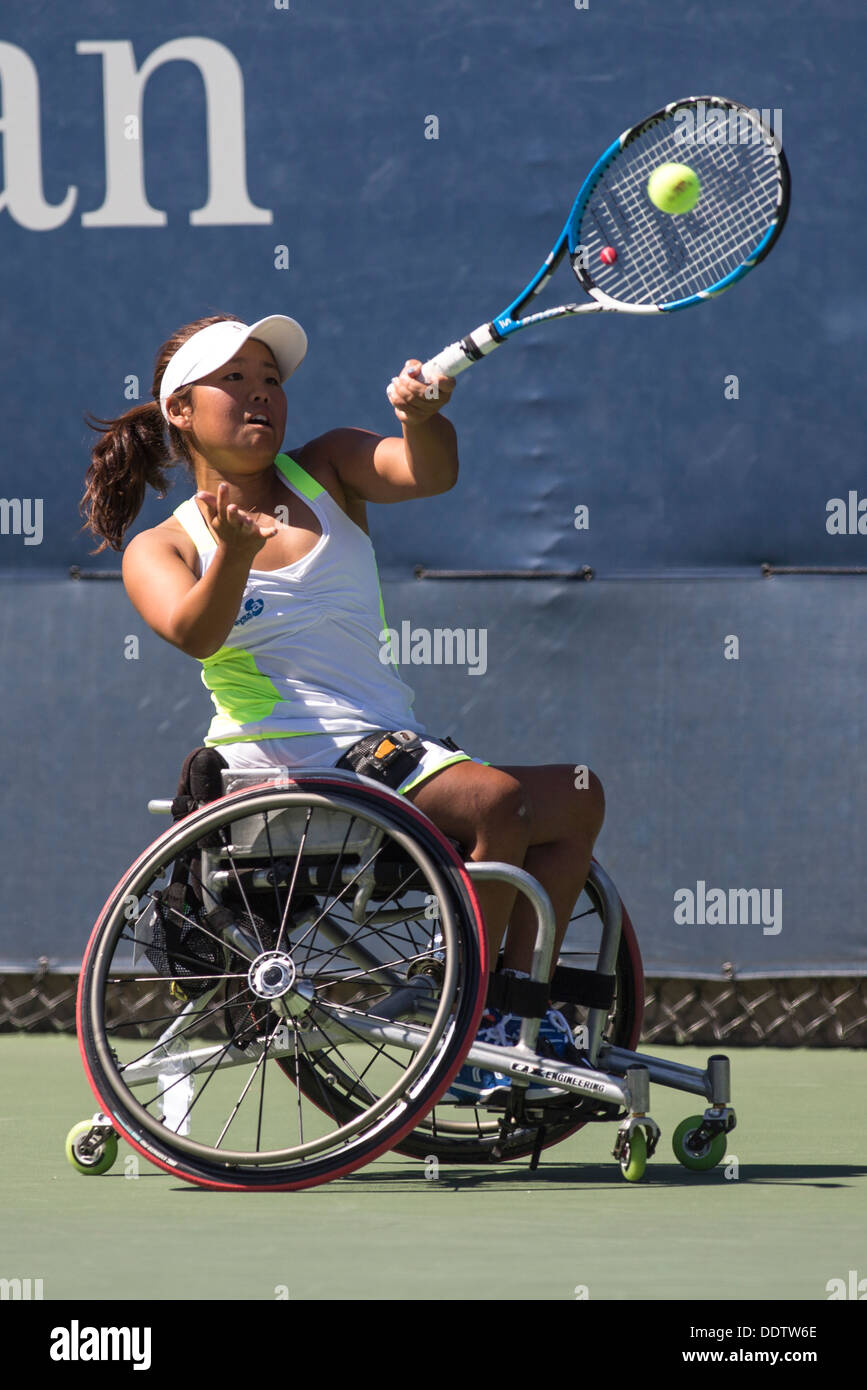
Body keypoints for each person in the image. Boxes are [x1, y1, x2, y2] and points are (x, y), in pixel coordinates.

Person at [80, 311, 605, 1101]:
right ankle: (466, 1013)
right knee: (494, 798)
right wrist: (235, 555)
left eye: (269, 380)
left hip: (384, 750)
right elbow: (194, 632)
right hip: (282, 766)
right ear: (179, 412)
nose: (259, 395)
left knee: (575, 796)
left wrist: (419, 418)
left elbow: (426, 473)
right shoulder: (163, 546)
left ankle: (522, 1012)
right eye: (233, 381)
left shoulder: (324, 466)